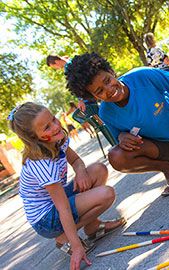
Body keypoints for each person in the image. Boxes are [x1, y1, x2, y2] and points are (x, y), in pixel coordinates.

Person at [65, 53, 169, 196]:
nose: (109, 89)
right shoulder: (106, 113)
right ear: (93, 97)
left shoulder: (142, 75)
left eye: (107, 80)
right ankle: (167, 168)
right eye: (99, 91)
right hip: (159, 149)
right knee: (116, 156)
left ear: (112, 72)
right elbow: (119, 143)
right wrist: (121, 137)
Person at [8, 102, 125, 270]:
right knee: (106, 194)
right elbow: (62, 208)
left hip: (56, 202)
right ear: (34, 137)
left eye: (54, 119)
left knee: (98, 170)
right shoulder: (42, 163)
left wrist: (81, 172)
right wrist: (76, 246)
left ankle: (93, 227)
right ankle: (64, 238)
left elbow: (76, 161)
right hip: (45, 218)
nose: (56, 126)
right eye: (47, 127)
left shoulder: (58, 139)